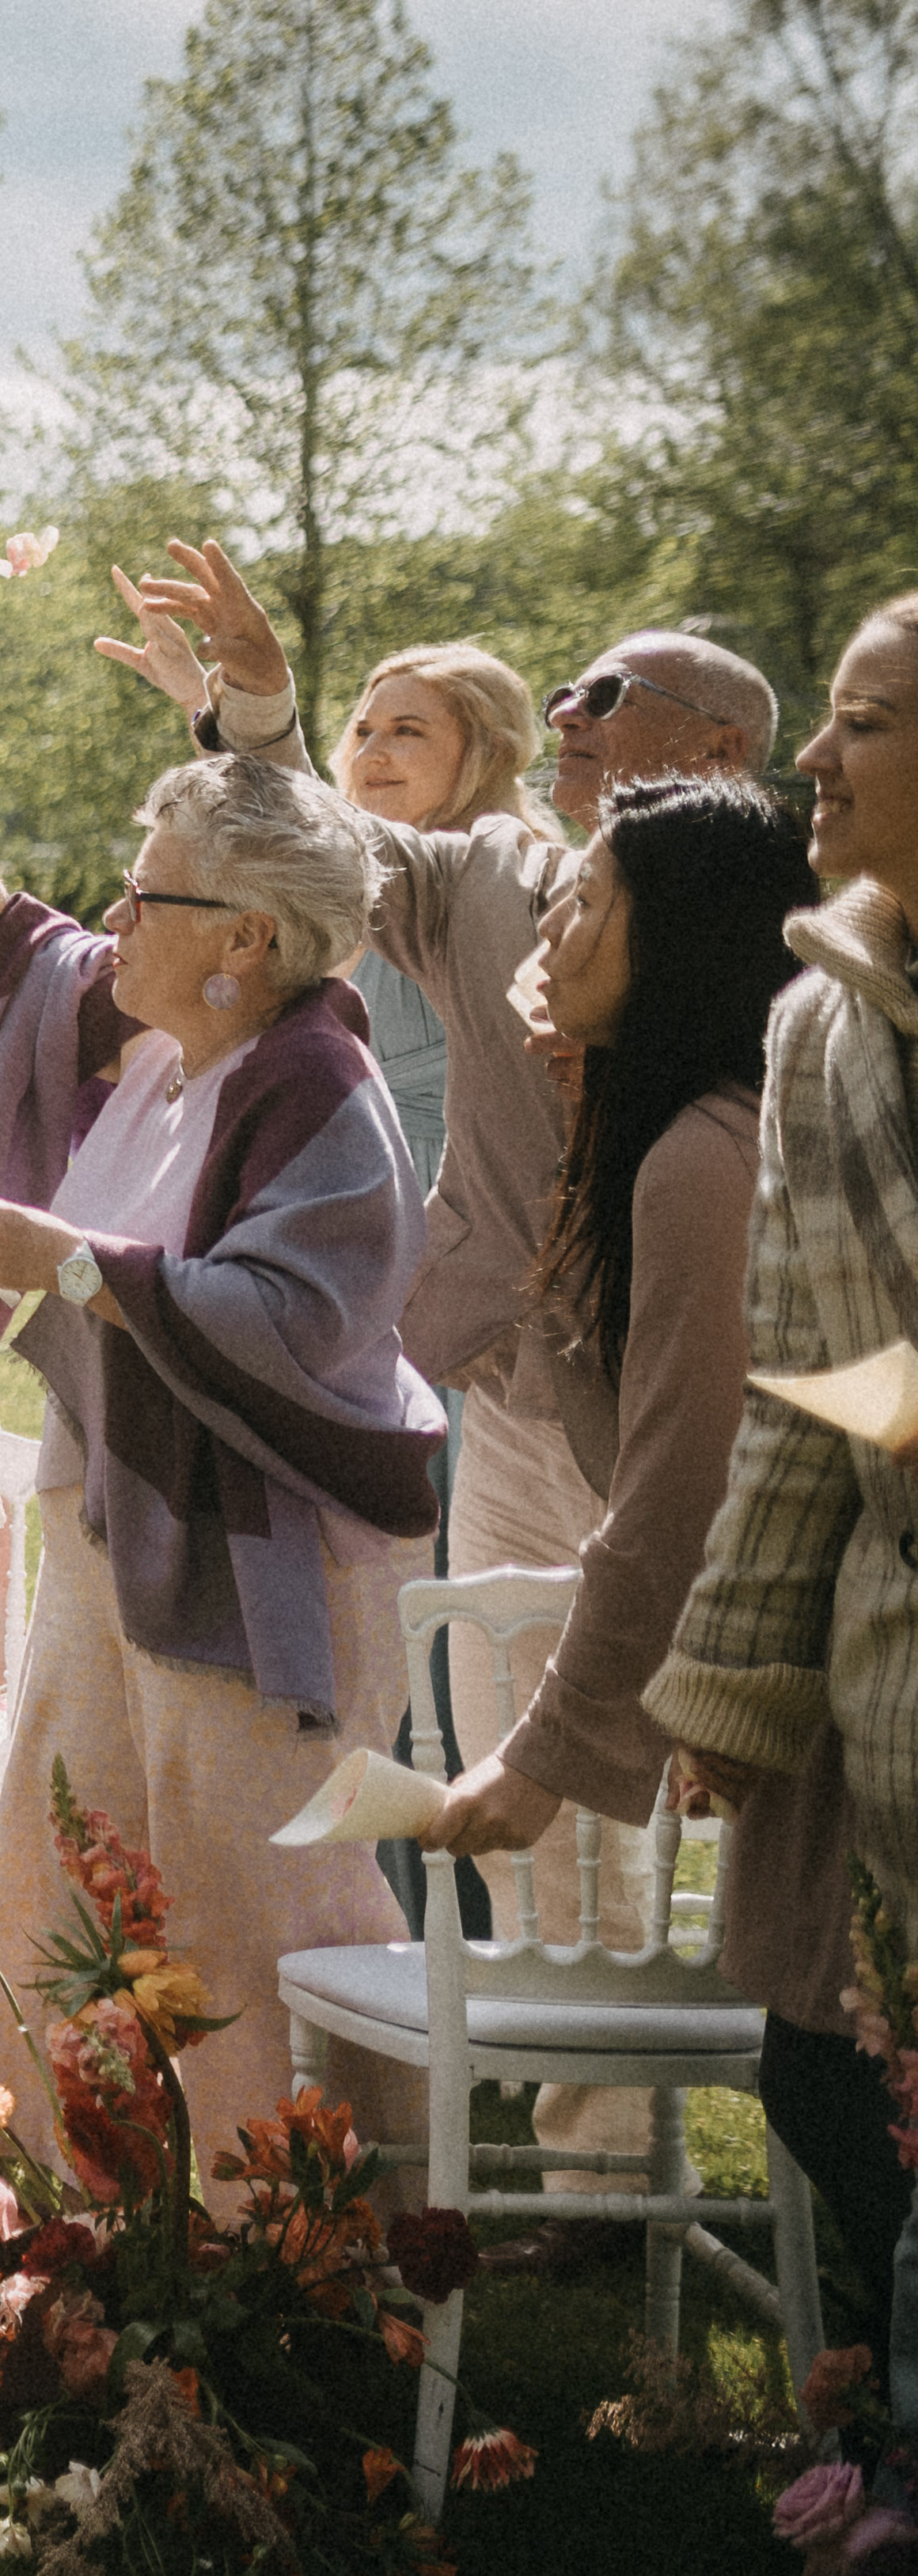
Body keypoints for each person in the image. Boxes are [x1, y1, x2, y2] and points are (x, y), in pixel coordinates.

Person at [112, 544, 766, 2173]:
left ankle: (719, 2119)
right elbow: (320, 850)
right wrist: (254, 705)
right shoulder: (481, 880)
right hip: (495, 1377)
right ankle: (575, 2122)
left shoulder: (777, 950)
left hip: (684, 1404)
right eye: (562, 689)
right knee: (494, 1719)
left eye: (606, 697)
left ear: (717, 758)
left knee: (686, 1750)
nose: (562, 710)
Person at [0, 623, 443, 2162]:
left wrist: (59, 1261)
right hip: (99, 1536)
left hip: (256, 1574)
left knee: (240, 1903)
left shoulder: (317, 1094)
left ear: (244, 940)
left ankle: (289, 2241)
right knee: (55, 1865)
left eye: (146, 895)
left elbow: (283, 1325)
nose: (109, 920)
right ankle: (53, 2211)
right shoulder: (149, 1039)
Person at [414, 778, 880, 2320]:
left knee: (834, 2080)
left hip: (839, 1676)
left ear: (670, 940)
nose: (549, 924)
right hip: (801, 1666)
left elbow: (675, 1489)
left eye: (585, 902)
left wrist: (538, 1757)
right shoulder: (661, 1128)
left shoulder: (696, 1152)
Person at [650, 593, 918, 2406]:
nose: (813, 759)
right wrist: (735, 1691)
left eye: (863, 722)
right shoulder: (822, 1023)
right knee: (828, 2079)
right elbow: (802, 1398)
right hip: (894, 1685)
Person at [319, 644, 551, 1188]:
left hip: (453, 1194)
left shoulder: (522, 881)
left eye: (406, 731)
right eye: (362, 731)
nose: (371, 754)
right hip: (333, 1180)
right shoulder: (345, 877)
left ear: (485, 751)